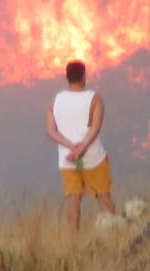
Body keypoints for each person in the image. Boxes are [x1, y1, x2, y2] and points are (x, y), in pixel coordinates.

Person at [46, 60, 117, 232]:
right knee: (103, 196)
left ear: (67, 77)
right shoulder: (94, 99)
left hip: (67, 159)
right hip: (93, 157)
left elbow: (51, 131)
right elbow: (96, 127)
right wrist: (82, 148)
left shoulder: (55, 101)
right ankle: (108, 233)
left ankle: (73, 239)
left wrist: (71, 147)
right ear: (84, 76)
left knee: (73, 197)